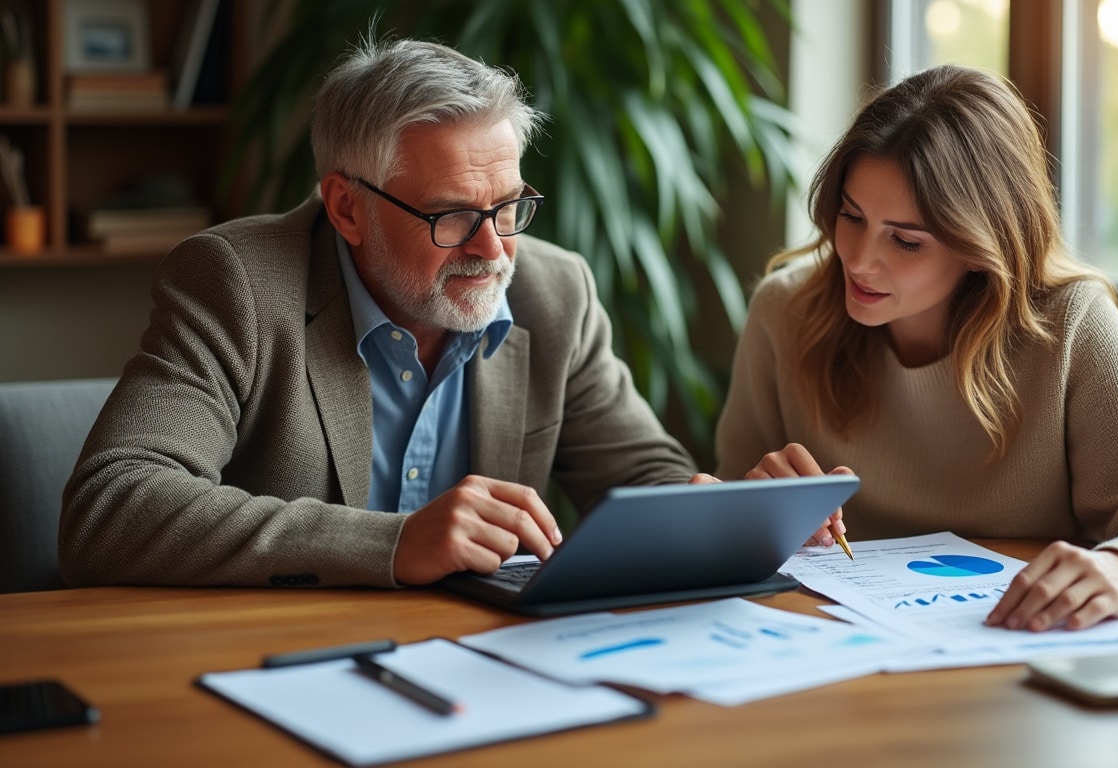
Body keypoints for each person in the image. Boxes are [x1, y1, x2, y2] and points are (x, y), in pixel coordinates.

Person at [59, 36, 700, 588]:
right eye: (452, 215)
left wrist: (711, 510)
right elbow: (111, 509)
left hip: (483, 659)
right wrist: (391, 543)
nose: (493, 248)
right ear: (347, 208)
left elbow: (645, 475)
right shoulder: (239, 285)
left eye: (508, 207)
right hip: (283, 654)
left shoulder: (557, 293)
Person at [715, 64, 1118, 632]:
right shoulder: (785, 311)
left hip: (1012, 647)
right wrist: (751, 512)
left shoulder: (1066, 323)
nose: (858, 258)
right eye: (852, 216)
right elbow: (722, 513)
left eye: (905, 241)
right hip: (824, 644)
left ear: (981, 244)